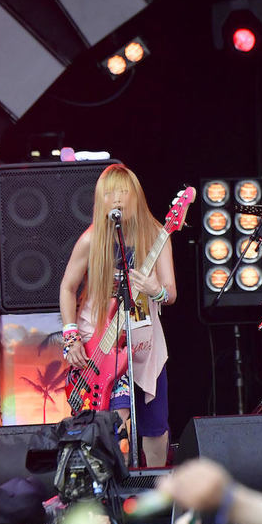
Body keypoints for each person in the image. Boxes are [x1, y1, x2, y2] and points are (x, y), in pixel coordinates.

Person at [60, 163, 176, 467]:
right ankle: (112, 488)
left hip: (143, 341)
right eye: (110, 193)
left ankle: (154, 493)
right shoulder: (91, 240)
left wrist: (154, 289)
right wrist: (70, 337)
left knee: (155, 426)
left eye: (124, 192)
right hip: (100, 341)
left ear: (136, 195)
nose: (117, 199)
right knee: (115, 419)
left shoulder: (157, 235)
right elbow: (67, 288)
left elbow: (171, 293)